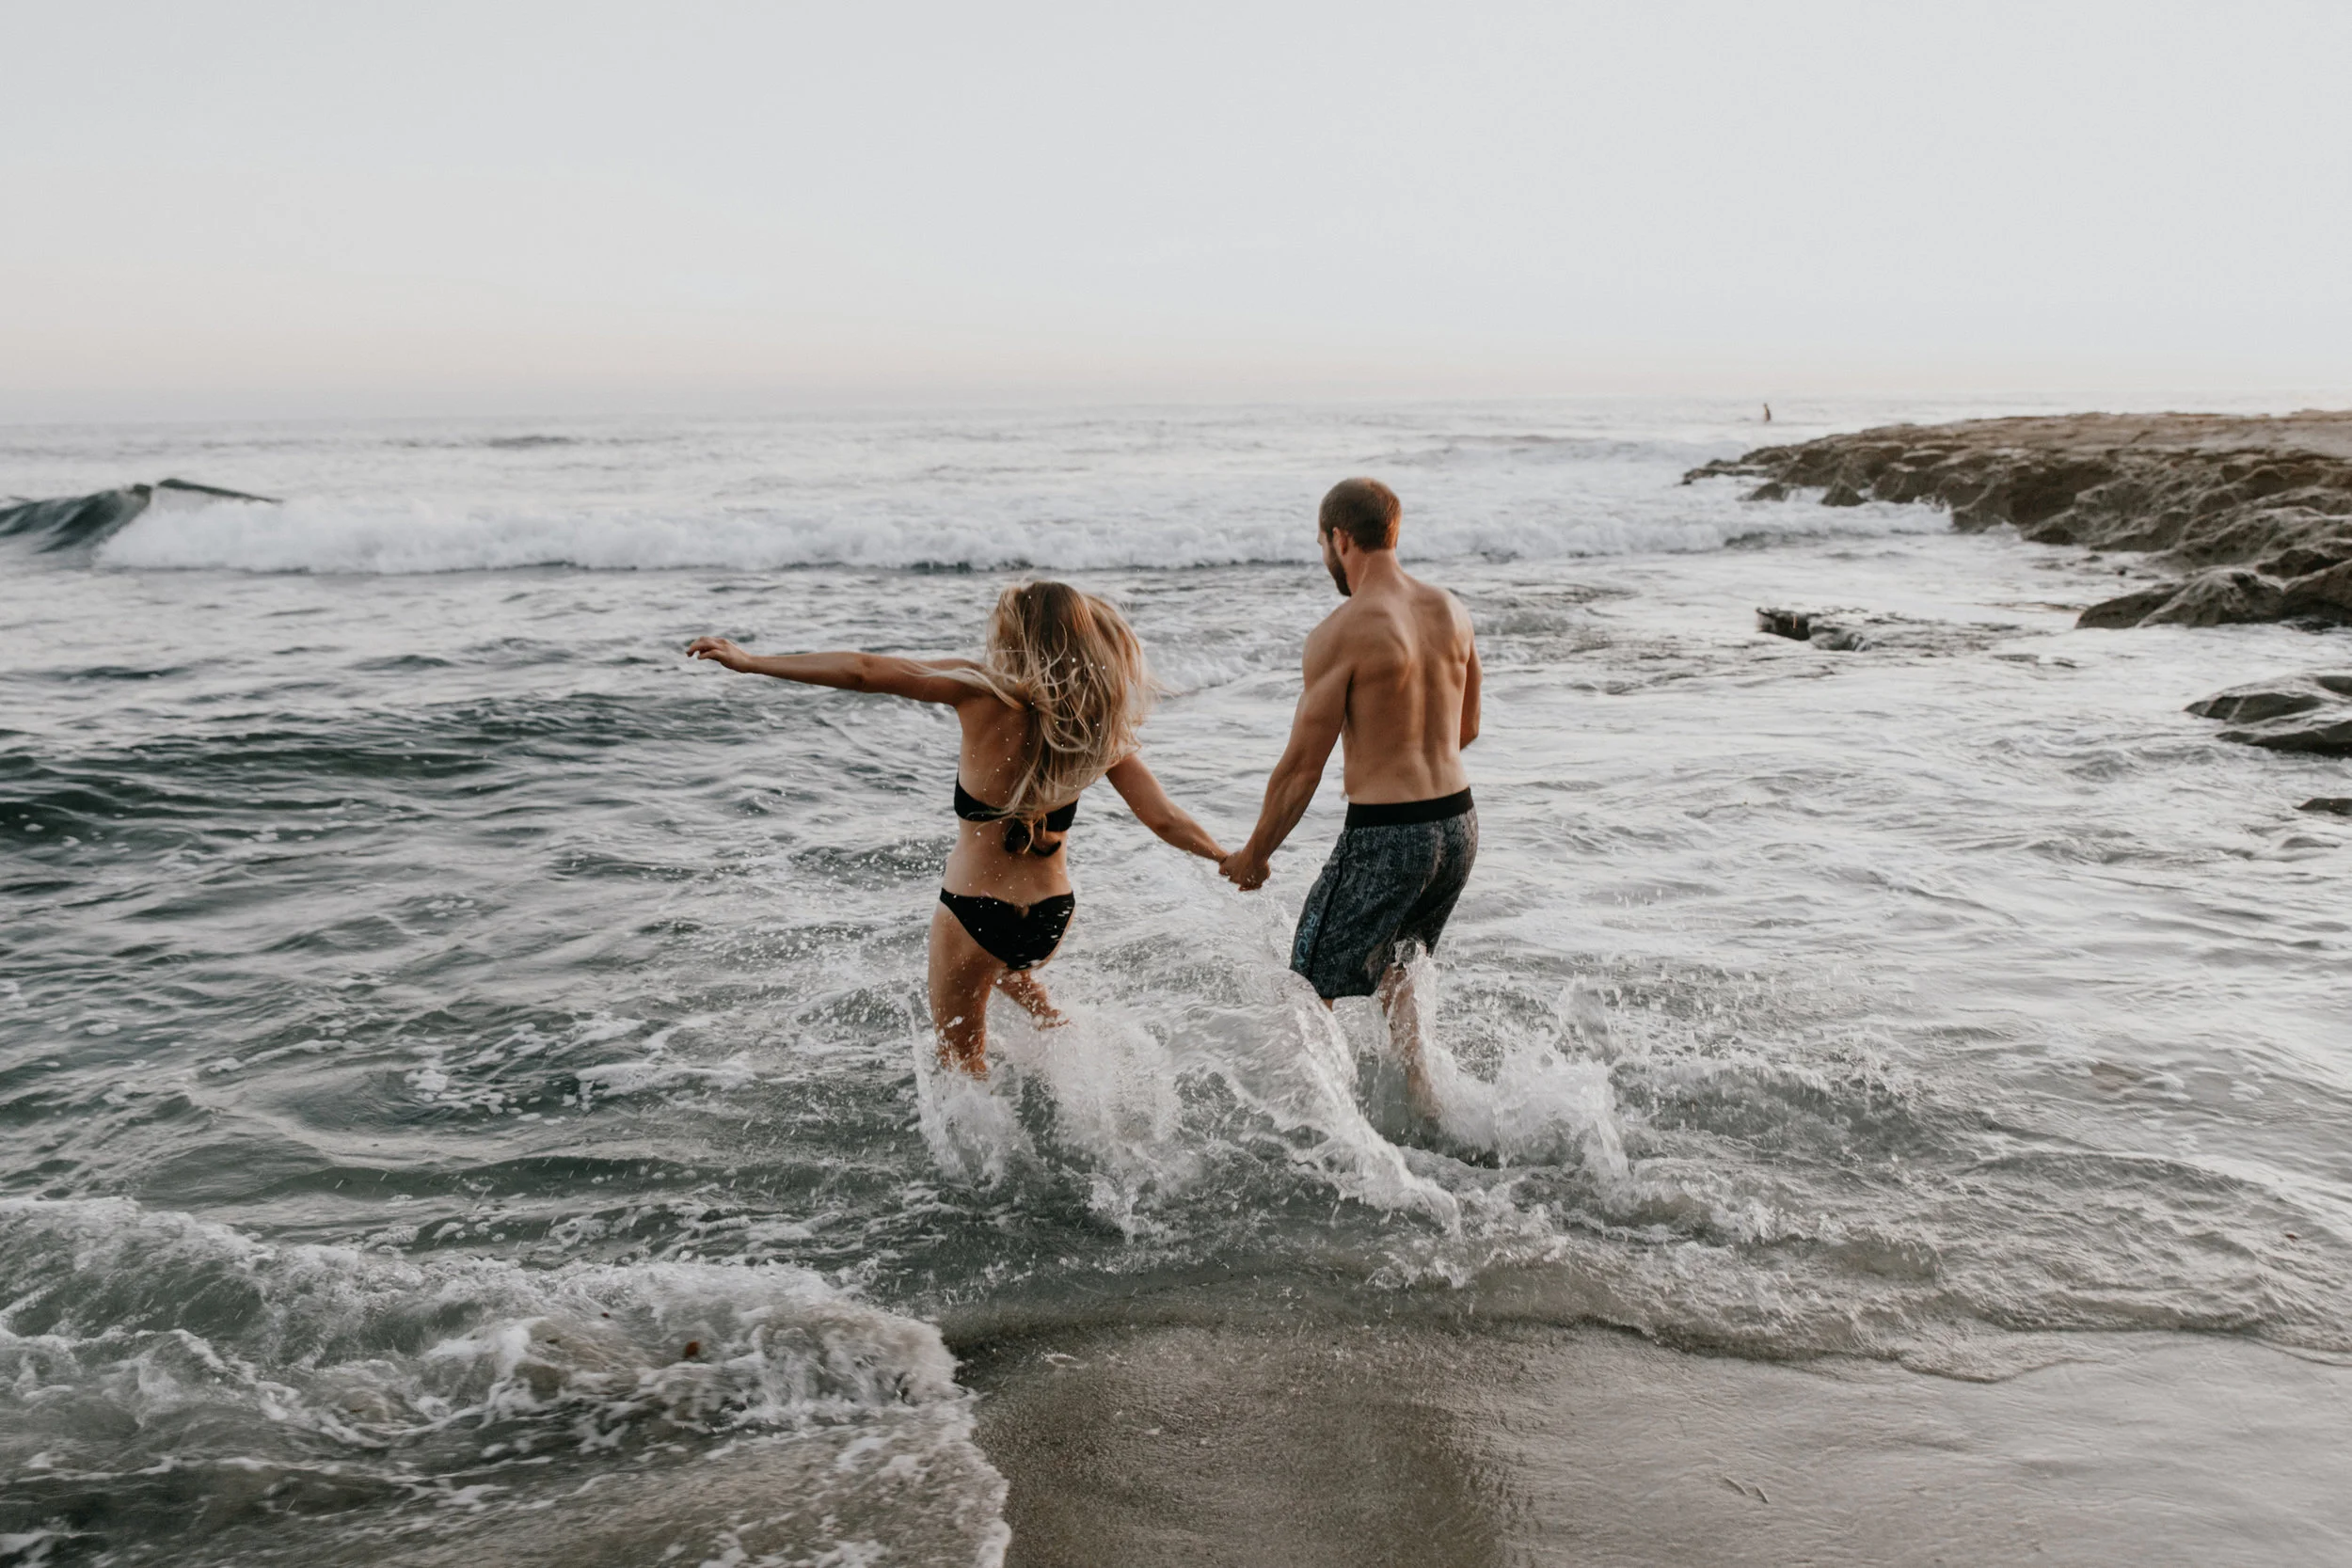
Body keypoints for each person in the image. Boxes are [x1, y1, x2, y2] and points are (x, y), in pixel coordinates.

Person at [688, 582, 1225, 1076]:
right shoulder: (1098, 728)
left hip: (976, 908)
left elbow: (864, 670)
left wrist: (753, 661)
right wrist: (1229, 857)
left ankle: (987, 1171)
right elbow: (1164, 819)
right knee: (1008, 968)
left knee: (960, 1061)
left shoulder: (983, 691)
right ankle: (1056, 1027)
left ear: (1017, 636)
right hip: (1052, 916)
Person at [1220, 479, 1481, 1113]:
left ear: (1341, 539)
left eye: (1323, 545)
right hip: (1458, 825)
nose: (1325, 559)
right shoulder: (1451, 609)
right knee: (1398, 966)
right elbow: (1467, 727)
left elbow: (1300, 770)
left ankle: (1318, 1129)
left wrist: (1255, 852)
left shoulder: (1342, 631)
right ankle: (1425, 1097)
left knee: (1307, 983)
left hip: (1388, 833)